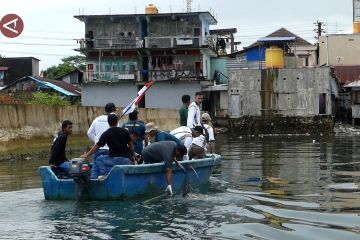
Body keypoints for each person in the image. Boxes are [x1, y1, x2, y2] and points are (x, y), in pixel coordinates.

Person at [81, 114, 137, 179]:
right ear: (117, 122)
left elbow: (96, 147)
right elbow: (130, 145)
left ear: (108, 122)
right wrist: (133, 155)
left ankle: (105, 175)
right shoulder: (124, 131)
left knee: (99, 159)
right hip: (126, 160)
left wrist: (86, 155)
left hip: (114, 159)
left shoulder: (106, 133)